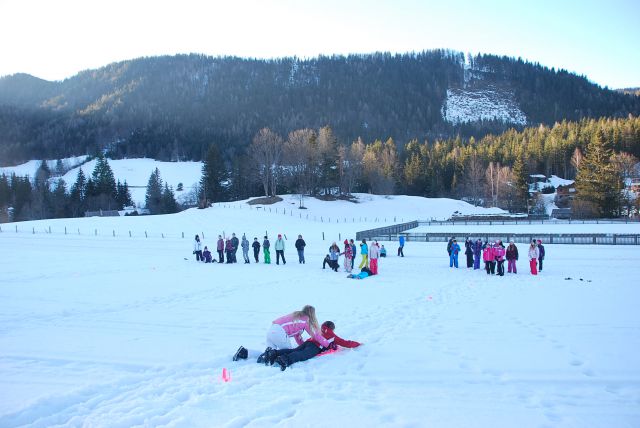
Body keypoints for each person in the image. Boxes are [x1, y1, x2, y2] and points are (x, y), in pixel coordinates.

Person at [265, 321, 361, 371]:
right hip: (315, 346)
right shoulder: (331, 334)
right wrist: (358, 344)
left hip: (308, 342)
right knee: (302, 355)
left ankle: (274, 353)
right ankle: (285, 360)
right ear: (332, 328)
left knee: (294, 350)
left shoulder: (318, 328)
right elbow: (345, 343)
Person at [265, 305, 329, 351]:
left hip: (271, 330)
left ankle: (265, 359)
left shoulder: (296, 317)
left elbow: (298, 337)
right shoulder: (305, 320)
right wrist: (327, 344)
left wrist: (303, 346)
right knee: (288, 352)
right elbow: (315, 335)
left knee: (270, 352)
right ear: (312, 314)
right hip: (279, 332)